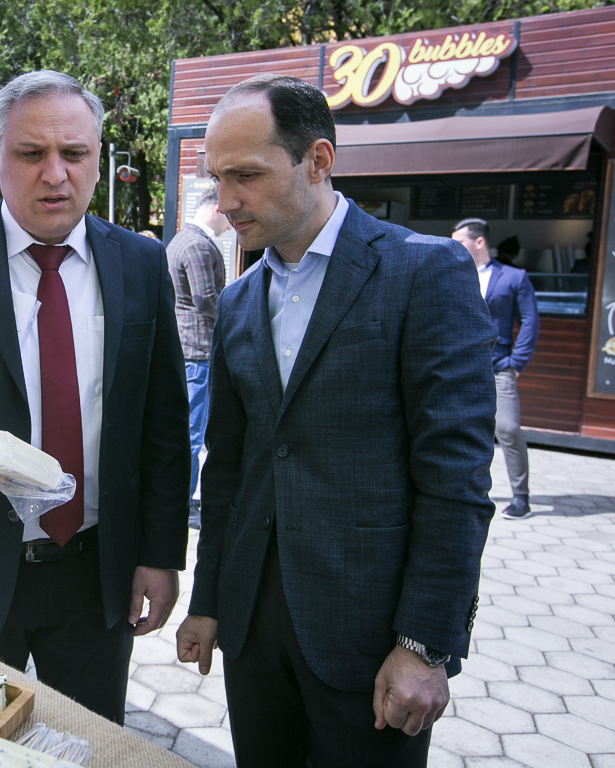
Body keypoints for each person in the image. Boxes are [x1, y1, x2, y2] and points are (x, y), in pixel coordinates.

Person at [174, 75, 496, 766]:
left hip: (370, 637)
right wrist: (209, 600)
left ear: (318, 160)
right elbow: (228, 470)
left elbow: (456, 480)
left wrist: (424, 645)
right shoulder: (238, 301)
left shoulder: (423, 272)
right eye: (218, 178)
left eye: (246, 175)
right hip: (253, 634)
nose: (225, 201)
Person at [0, 70, 190, 724]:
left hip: (95, 573)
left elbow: (164, 424)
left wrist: (161, 555)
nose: (56, 174)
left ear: (97, 159)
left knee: (87, 745)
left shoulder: (141, 264)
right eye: (31, 153)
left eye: (74, 153)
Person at [452, 218, 539, 519]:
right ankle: (461, 489)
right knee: (456, 428)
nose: (453, 246)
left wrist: (517, 363)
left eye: (459, 241)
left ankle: (521, 496)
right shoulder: (452, 273)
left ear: (479, 242)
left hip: (499, 366)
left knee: (507, 428)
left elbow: (529, 321)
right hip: (460, 366)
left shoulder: (514, 277)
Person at [165, 183, 229, 528]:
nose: (229, 225)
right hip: (199, 350)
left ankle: (183, 498)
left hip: (187, 348)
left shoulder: (181, 240)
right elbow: (206, 298)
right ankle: (186, 502)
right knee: (192, 433)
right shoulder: (198, 245)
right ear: (216, 208)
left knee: (189, 430)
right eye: (227, 218)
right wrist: (237, 320)